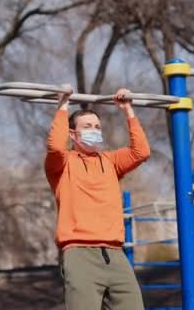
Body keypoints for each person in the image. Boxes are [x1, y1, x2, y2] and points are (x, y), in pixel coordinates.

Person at [45, 87, 151, 310]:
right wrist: (63, 105)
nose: (94, 130)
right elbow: (55, 147)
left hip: (115, 254)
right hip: (80, 253)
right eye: (87, 126)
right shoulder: (62, 164)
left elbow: (141, 151)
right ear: (73, 134)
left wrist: (127, 110)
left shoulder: (110, 161)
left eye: (97, 127)